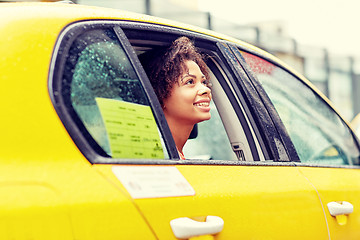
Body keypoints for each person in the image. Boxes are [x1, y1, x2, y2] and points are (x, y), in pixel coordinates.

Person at [140, 36, 212, 159]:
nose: (206, 90)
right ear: (158, 95)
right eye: (190, 82)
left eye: (203, 82)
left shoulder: (170, 156)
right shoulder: (158, 159)